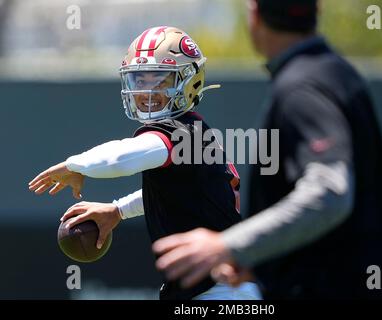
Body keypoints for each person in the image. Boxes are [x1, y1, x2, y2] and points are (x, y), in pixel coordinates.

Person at [152, 0, 382, 299]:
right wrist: (258, 258)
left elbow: (329, 193)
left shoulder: (302, 87)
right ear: (316, 13)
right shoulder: (338, 72)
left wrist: (228, 245)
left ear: (254, 16)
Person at [28, 26, 261, 301]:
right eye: (139, 79)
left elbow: (119, 158)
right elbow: (176, 196)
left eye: (159, 79)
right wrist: (117, 210)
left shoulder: (177, 132)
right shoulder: (193, 130)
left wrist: (74, 165)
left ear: (190, 81)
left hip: (218, 292)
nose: (146, 90)